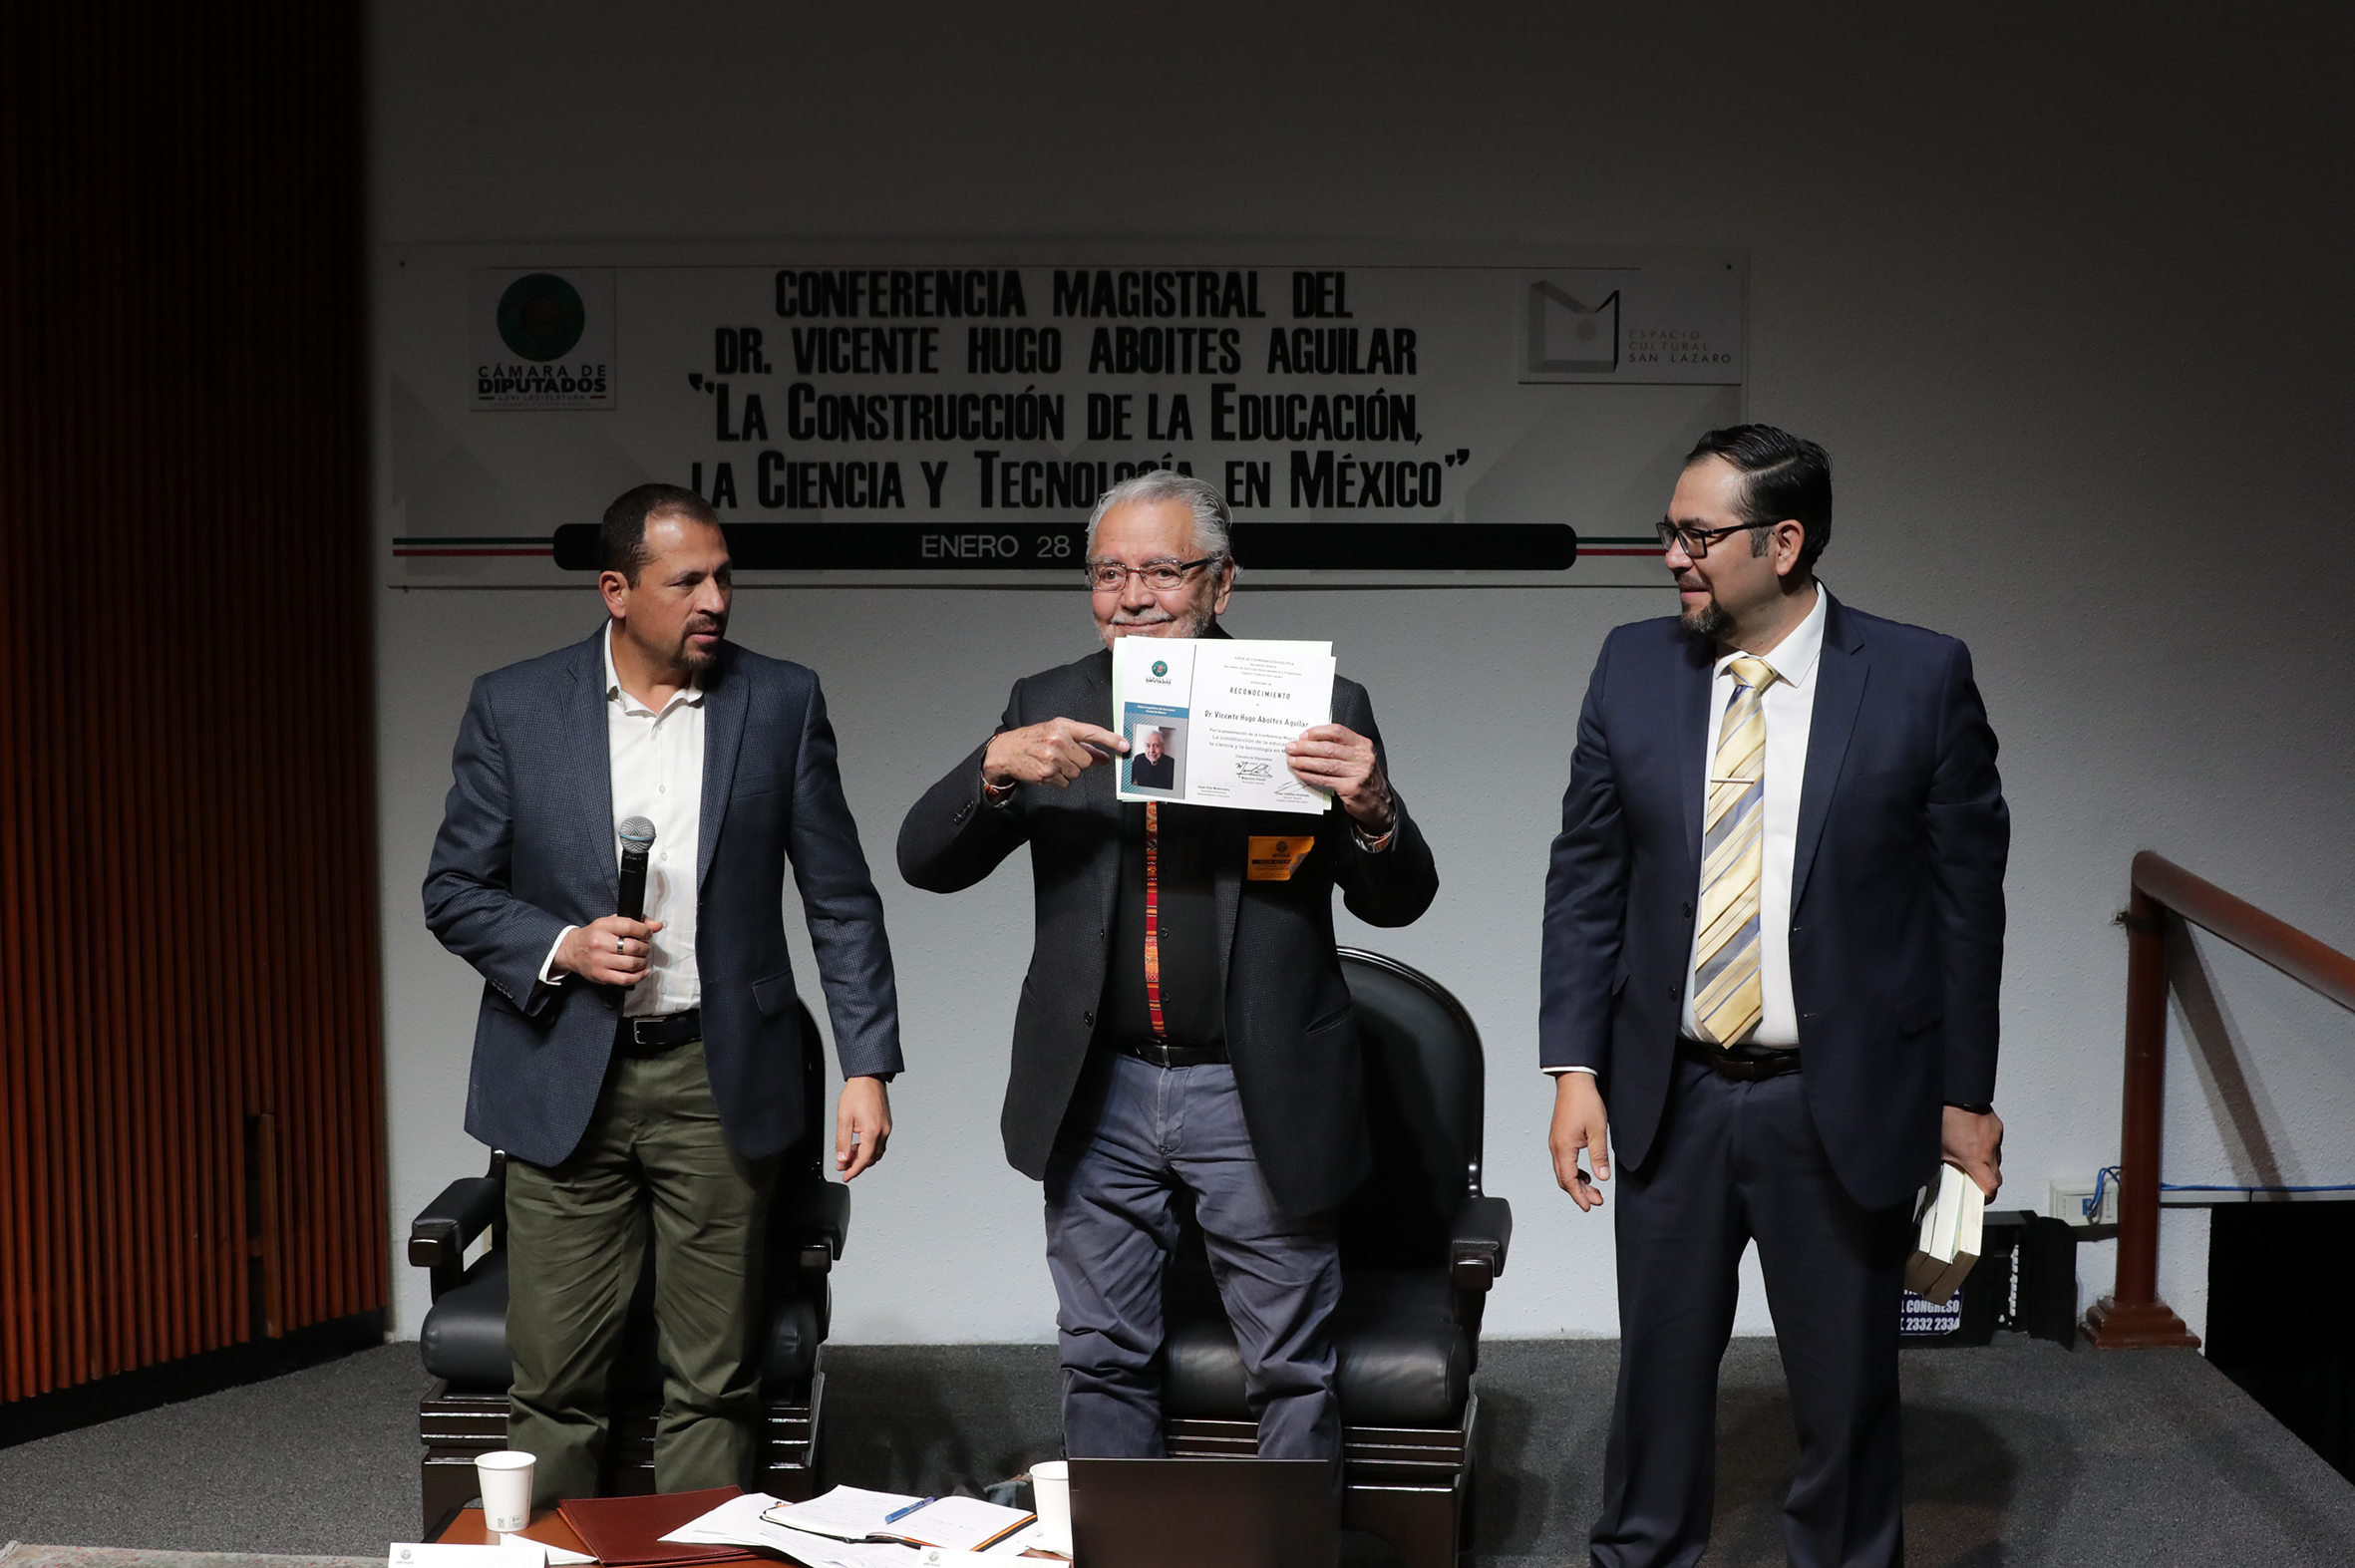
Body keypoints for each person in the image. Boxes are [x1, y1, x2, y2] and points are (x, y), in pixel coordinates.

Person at [897, 470, 1438, 1463]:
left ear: (1220, 584)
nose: (1132, 597)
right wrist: (993, 768)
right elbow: (923, 861)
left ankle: (1286, 1543)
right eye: (1109, 574)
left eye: (1161, 571)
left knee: (1290, 1367)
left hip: (1252, 1086)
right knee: (1100, 1359)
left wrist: (1374, 812)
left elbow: (1397, 900)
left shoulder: (1314, 704)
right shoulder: (1047, 704)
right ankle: (1122, 1539)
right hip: (1097, 1086)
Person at [1539, 427, 2007, 1568]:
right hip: (1672, 1093)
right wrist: (1574, 1068)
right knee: (1655, 1394)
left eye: (1697, 535)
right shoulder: (1630, 667)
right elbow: (1586, 879)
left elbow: (1966, 911)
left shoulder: (1917, 677)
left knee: (1845, 1400)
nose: (1673, 556)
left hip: (1838, 1099)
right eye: (1668, 532)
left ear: (1783, 542)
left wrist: (1963, 1100)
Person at [423, 483, 903, 1502]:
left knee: (715, 1386)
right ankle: (550, 1556)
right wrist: (563, 944)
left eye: (724, 577)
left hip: (715, 1078)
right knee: (556, 1387)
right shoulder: (516, 705)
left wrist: (867, 1065)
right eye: (687, 581)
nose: (715, 599)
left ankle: (698, 1560)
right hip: (562, 1076)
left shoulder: (779, 701)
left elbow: (841, 899)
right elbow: (454, 890)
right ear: (616, 590)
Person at [1129, 726, 1177, 790]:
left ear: (1162, 747)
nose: (1151, 750)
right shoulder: (1138, 759)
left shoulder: (1172, 764)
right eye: (1147, 745)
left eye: (1156, 746)